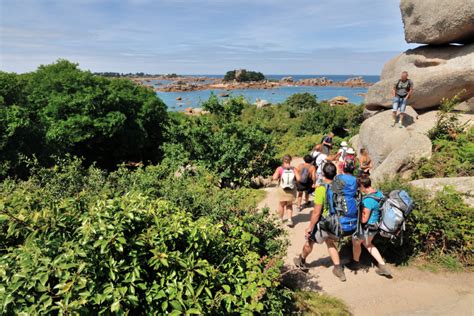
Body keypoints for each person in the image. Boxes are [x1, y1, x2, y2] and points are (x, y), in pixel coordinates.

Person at [293, 162, 347, 282]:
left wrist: (310, 227)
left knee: (309, 242)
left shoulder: (321, 189)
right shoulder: (339, 187)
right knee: (330, 242)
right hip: (336, 222)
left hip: (324, 223)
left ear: (323, 173)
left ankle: (301, 260)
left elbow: (316, 212)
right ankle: (338, 268)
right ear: (335, 174)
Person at [347, 176, 392, 277]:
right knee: (368, 244)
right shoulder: (379, 193)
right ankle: (382, 266)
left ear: (362, 186)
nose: (358, 189)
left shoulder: (368, 201)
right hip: (376, 226)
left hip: (367, 228)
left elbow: (364, 219)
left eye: (359, 187)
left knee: (356, 242)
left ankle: (355, 263)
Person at [272, 155, 301, 227]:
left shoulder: (280, 168)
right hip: (291, 189)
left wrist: (278, 176)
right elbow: (299, 179)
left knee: (281, 205)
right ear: (290, 160)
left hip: (282, 189)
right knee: (289, 205)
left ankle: (280, 220)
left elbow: (274, 178)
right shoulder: (294, 169)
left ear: (283, 160)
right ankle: (289, 220)